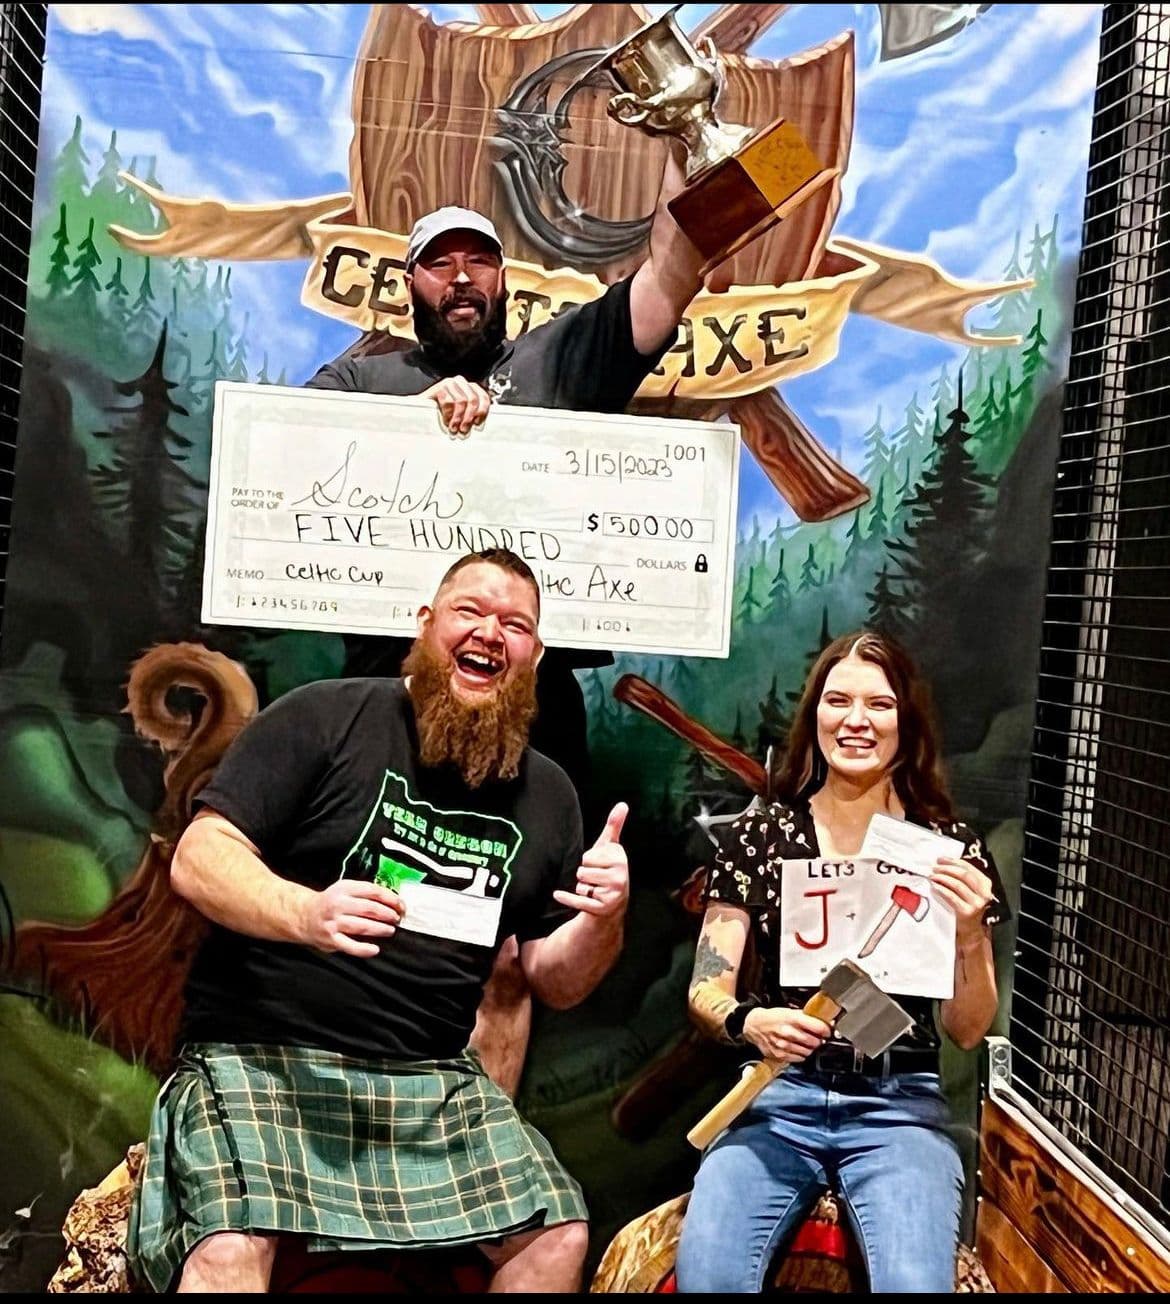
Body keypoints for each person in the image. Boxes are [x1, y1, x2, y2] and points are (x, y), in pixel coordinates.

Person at [127, 548, 631, 1294]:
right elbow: (201, 857)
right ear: (426, 625)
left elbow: (553, 979)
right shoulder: (325, 716)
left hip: (429, 1082)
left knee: (557, 1234)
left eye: (514, 624)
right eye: (470, 612)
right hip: (263, 1059)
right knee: (227, 1248)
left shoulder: (548, 793)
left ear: (535, 655)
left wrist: (604, 918)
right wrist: (307, 911)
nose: (491, 633)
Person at [305, 146, 707, 807]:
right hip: (389, 691)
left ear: (503, 280)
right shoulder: (357, 381)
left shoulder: (564, 356)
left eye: (479, 261)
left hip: (533, 708)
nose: (460, 277)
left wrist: (681, 150)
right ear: (410, 283)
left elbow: (671, 275)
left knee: (534, 880)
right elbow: (288, 456)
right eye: (439, 262)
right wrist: (412, 425)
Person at [674, 630, 1009, 1294]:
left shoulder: (948, 851)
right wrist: (750, 1021)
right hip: (777, 1096)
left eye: (879, 705)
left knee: (916, 1283)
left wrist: (969, 933)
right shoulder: (759, 838)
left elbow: (969, 1029)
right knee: (708, 1275)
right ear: (814, 716)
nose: (856, 721)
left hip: (898, 1105)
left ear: (906, 723)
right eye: (838, 701)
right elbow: (706, 989)